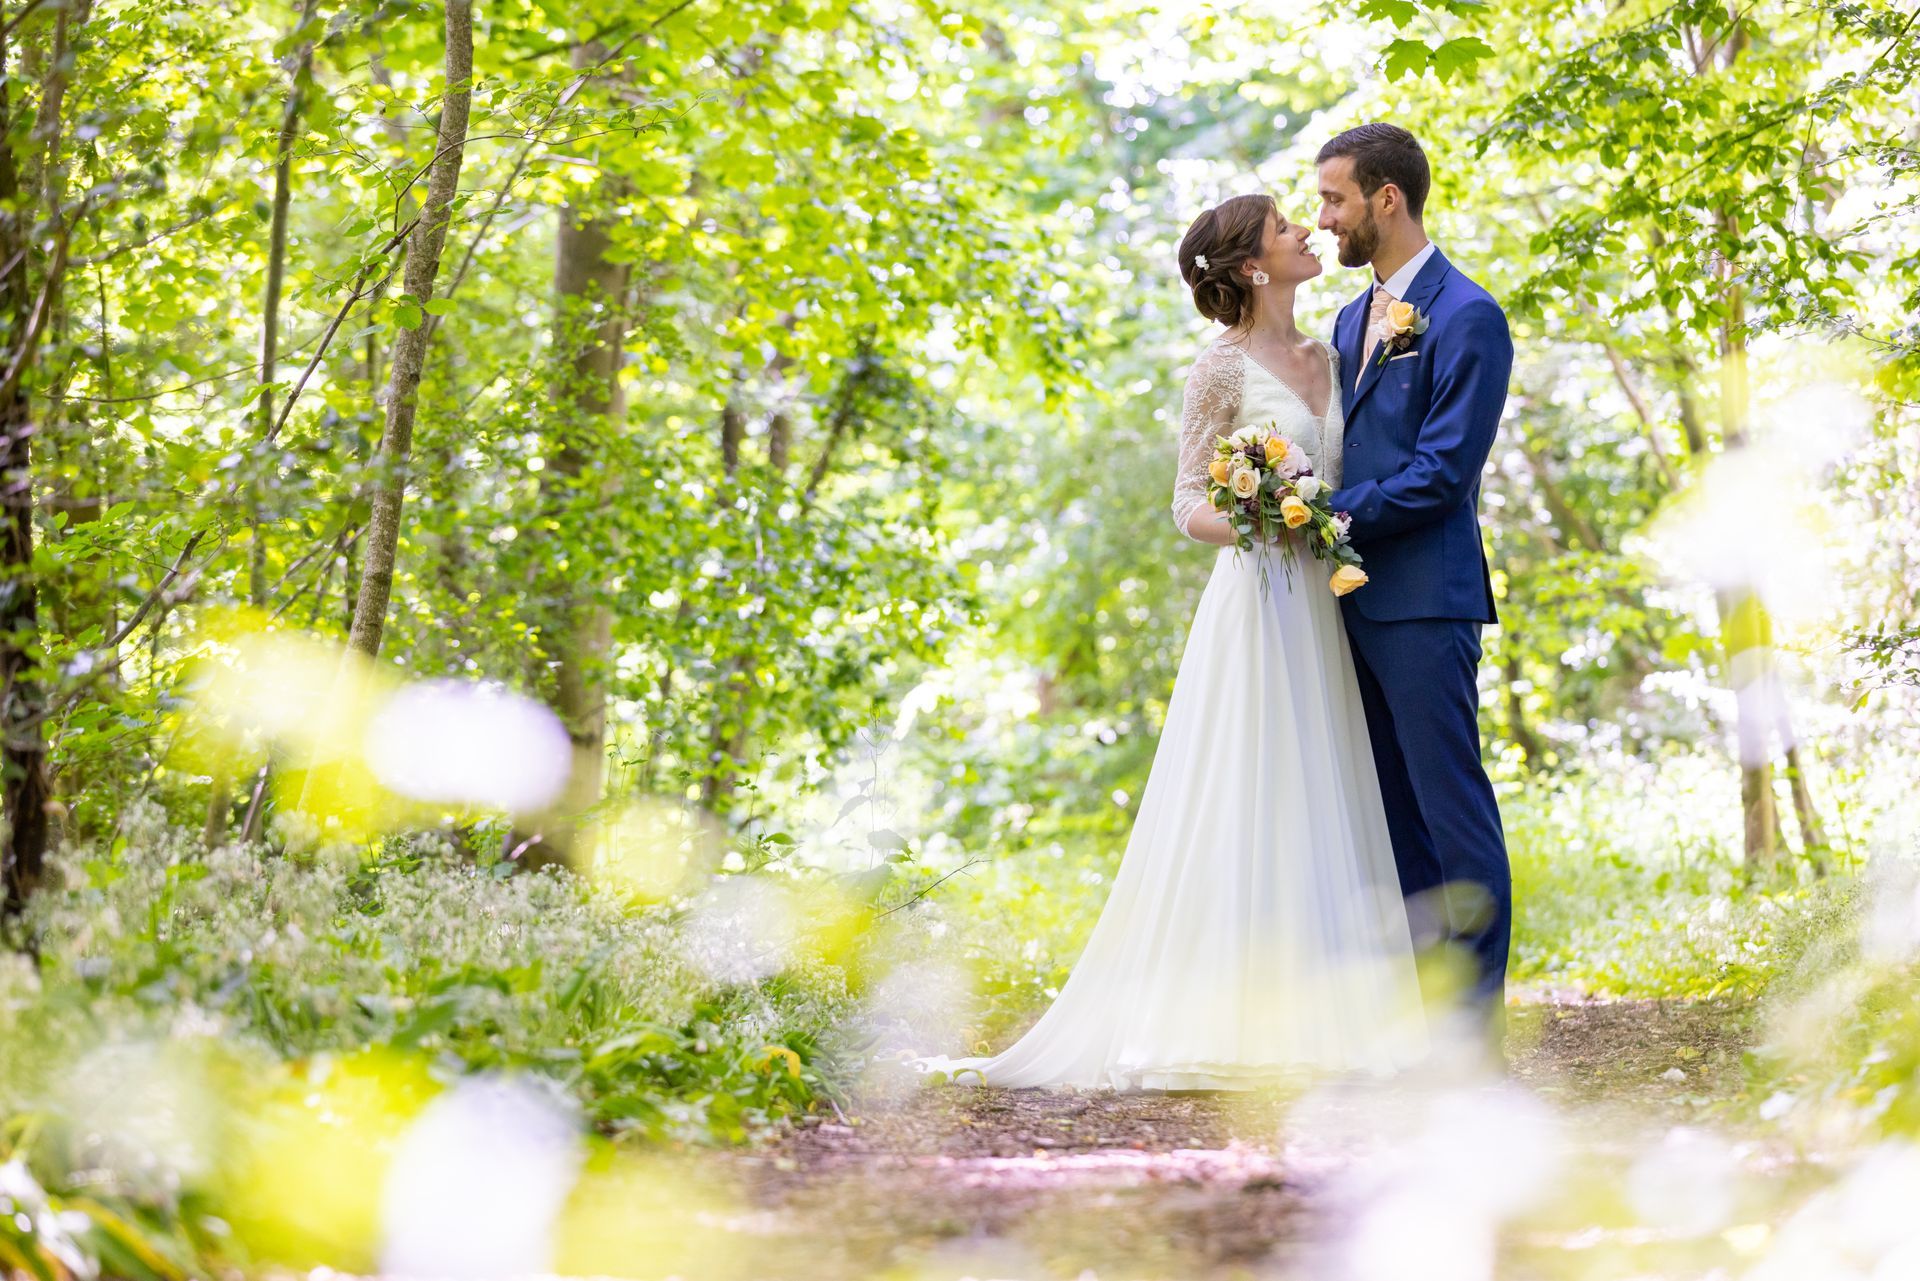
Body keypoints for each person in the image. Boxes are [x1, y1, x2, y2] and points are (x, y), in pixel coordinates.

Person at [911, 192, 1427, 1090]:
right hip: (1259, 599)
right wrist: (1268, 512)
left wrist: (1318, 513)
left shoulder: (1337, 352)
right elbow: (1188, 503)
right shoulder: (1219, 371)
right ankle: (1228, 1020)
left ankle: (1329, 1013)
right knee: (1250, 791)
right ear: (1254, 266)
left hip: (1329, 603)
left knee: (1326, 790)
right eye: (1283, 227)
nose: (1307, 229)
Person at [1316, 122, 1513, 1039]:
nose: (1324, 221)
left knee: (1451, 813)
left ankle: (1472, 1032)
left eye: (1336, 200)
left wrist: (1328, 514)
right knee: (1394, 818)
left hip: (1428, 601)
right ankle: (1425, 1019)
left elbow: (1443, 470)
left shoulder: (1469, 314)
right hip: (1350, 604)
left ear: (1386, 198)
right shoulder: (1350, 320)